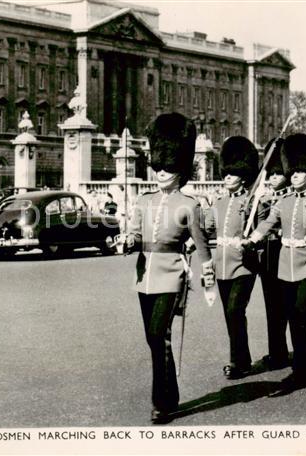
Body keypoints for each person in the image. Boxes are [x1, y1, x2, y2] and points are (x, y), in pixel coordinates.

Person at [118, 113, 215, 424]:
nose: (161, 172)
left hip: (173, 274)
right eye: (158, 166)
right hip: (144, 276)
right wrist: (126, 242)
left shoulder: (189, 205)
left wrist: (209, 281)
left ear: (180, 169)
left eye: (169, 167)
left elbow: (202, 247)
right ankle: (170, 393)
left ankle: (161, 402)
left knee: (159, 334)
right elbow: (135, 233)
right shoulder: (143, 201)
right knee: (152, 338)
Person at [246, 133, 306, 395]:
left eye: (300, 171)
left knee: (302, 314)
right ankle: (302, 366)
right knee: (293, 317)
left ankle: (302, 367)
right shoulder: (284, 200)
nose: (295, 175)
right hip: (285, 267)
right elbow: (269, 223)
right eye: (294, 171)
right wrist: (253, 237)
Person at [206, 136, 259, 379]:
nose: (227, 176)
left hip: (243, 266)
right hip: (222, 265)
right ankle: (241, 358)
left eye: (232, 173)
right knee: (229, 313)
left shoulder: (252, 202)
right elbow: (206, 227)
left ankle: (237, 361)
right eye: (225, 172)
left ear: (243, 174)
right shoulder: (218, 202)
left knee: (236, 310)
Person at [256, 139, 290, 371]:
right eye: (271, 175)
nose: (272, 179)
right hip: (269, 255)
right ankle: (277, 351)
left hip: (288, 253)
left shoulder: (293, 197)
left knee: (293, 307)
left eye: (278, 174)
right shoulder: (264, 197)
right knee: (272, 307)